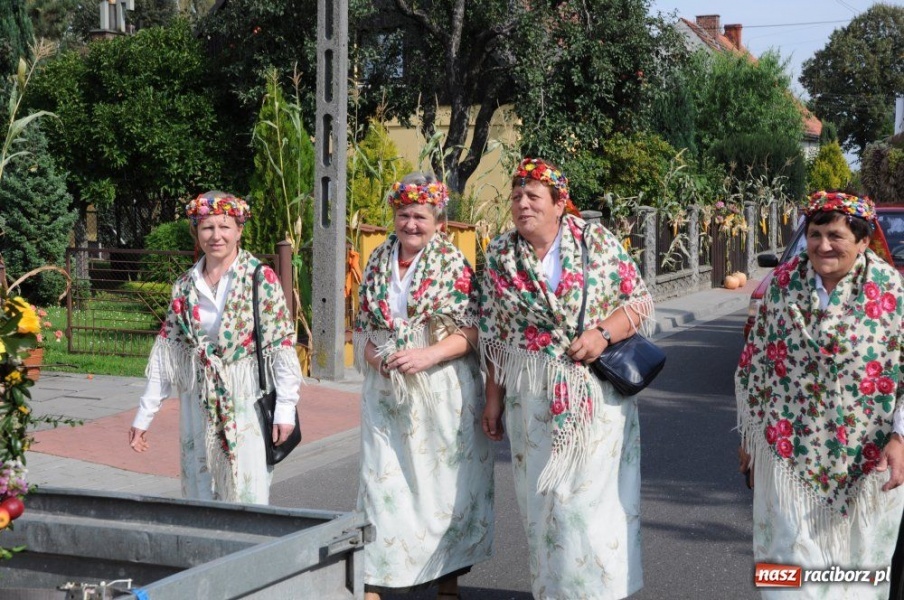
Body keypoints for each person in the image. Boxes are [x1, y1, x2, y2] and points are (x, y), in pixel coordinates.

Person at [480, 157, 654, 599]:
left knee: (589, 509)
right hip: (531, 399)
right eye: (516, 196)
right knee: (543, 505)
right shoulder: (500, 256)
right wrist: (493, 399)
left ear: (560, 203)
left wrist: (602, 334)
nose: (522, 204)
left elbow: (637, 301)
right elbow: (495, 334)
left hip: (594, 397)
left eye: (533, 196)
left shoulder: (595, 242)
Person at [736, 190, 904, 599]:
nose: (823, 245)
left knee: (859, 567)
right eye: (814, 234)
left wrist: (900, 438)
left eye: (835, 236)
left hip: (868, 458)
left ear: (862, 241)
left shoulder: (891, 293)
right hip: (786, 456)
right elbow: (756, 365)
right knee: (784, 566)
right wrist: (750, 441)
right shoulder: (781, 286)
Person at [353, 173, 494, 600]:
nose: (410, 224)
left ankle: (447, 583)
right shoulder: (377, 261)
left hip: (441, 389)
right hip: (386, 393)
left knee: (441, 489)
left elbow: (475, 329)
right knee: (381, 484)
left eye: (420, 216)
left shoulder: (453, 264)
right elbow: (362, 328)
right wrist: (378, 359)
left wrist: (427, 355)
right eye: (403, 215)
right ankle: (375, 582)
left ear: (438, 222)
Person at [128, 191, 302, 504]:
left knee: (246, 492)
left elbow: (282, 347)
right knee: (200, 488)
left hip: (246, 400)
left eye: (224, 227)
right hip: (198, 402)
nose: (216, 236)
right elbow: (168, 354)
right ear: (196, 231)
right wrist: (144, 416)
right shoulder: (185, 285)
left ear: (239, 230)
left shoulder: (260, 278)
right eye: (207, 227)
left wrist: (285, 410)